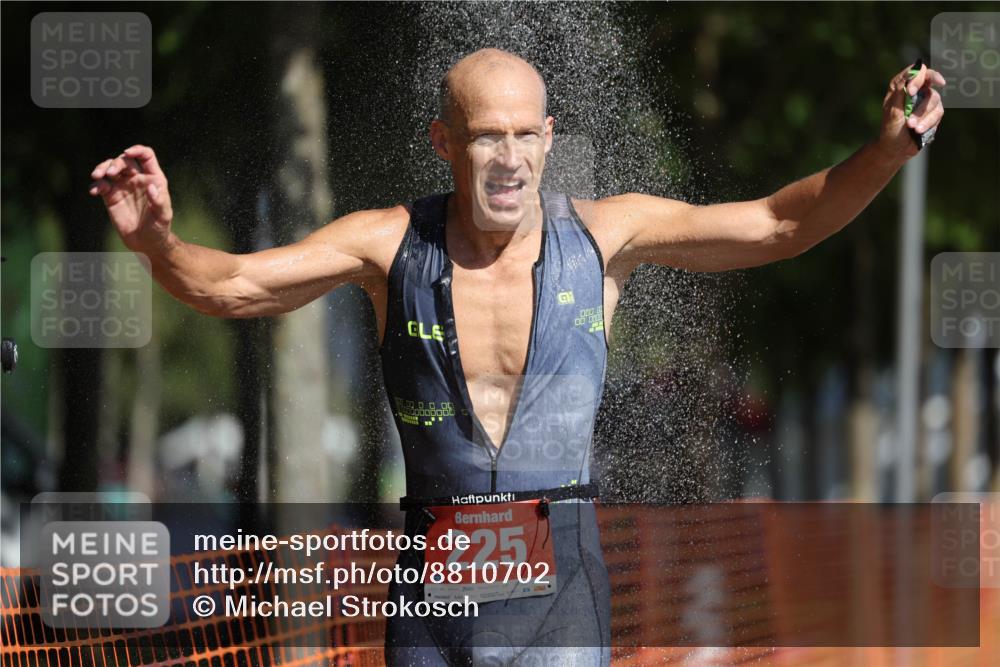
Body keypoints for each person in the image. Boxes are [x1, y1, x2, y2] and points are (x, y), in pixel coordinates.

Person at [89, 48, 945, 666]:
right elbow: (234, 285)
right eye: (486, 137)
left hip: (560, 588)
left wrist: (887, 152)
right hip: (433, 592)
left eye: (525, 135)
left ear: (550, 137)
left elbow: (777, 223)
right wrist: (158, 242)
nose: (509, 160)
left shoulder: (606, 236)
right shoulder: (388, 245)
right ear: (443, 142)